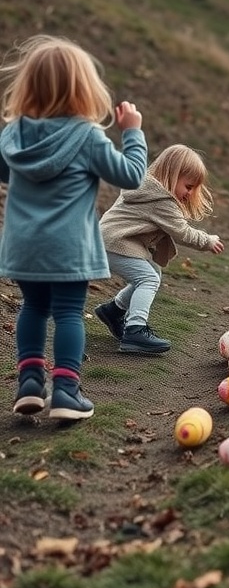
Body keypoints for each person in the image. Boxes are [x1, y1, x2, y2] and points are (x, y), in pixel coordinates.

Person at [0, 35, 147, 421]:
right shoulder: (87, 137)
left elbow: (4, 171)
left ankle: (30, 382)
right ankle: (66, 390)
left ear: (27, 85)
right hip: (68, 247)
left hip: (23, 246)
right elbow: (132, 176)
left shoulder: (12, 134)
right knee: (67, 312)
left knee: (32, 307)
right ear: (84, 89)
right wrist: (132, 131)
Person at [96, 144, 225, 355]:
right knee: (148, 279)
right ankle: (135, 330)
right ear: (173, 175)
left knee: (153, 272)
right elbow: (182, 233)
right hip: (115, 243)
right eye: (189, 186)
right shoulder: (161, 200)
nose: (190, 193)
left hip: (111, 240)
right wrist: (207, 241)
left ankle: (113, 311)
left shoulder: (145, 187)